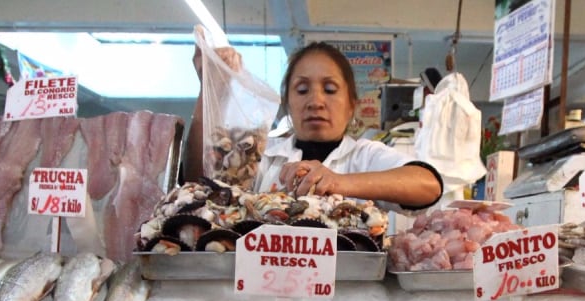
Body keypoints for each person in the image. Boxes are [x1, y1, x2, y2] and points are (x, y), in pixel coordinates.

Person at [187, 41, 443, 213]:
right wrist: (210, 89)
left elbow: (429, 185)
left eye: (330, 90)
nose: (316, 102)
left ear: (351, 104)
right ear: (287, 102)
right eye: (302, 90)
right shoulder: (261, 155)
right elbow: (198, 182)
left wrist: (338, 181)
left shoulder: (365, 157)